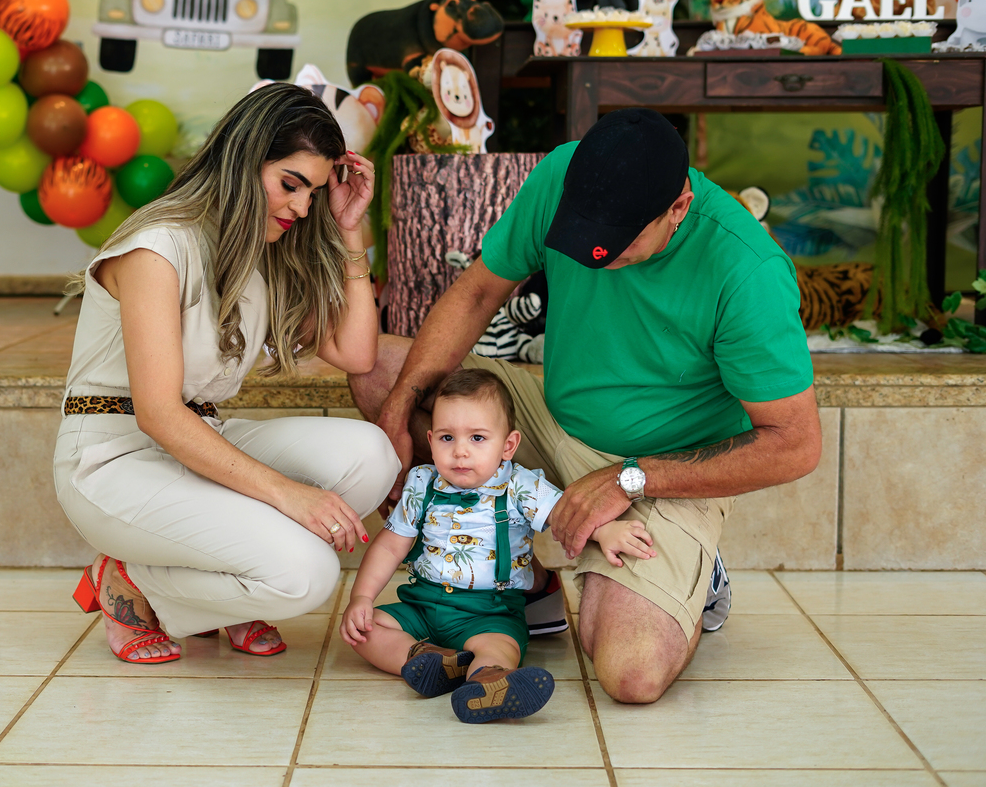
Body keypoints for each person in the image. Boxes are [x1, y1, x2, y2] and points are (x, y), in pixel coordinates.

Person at [350, 108, 822, 703]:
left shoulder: (748, 270)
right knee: (380, 371)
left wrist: (630, 478)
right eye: (584, 237)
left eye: (617, 247)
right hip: (548, 420)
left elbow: (795, 444)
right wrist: (399, 410)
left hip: (662, 469)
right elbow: (476, 294)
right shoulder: (562, 172)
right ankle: (526, 582)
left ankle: (696, 577)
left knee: (631, 675)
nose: (596, 256)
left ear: (677, 209)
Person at [55, 83, 400, 664]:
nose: (301, 208)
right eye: (290, 184)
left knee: (371, 455)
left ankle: (218, 587)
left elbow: (357, 352)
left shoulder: (261, 254)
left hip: (200, 440)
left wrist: (349, 232)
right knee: (307, 575)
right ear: (244, 161)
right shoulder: (155, 248)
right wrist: (289, 496)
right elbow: (158, 415)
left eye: (314, 193)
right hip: (113, 456)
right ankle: (128, 583)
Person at [341, 369, 589, 723]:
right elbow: (389, 547)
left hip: (490, 612)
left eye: (477, 438)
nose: (460, 451)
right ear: (430, 441)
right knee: (363, 631)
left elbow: (568, 515)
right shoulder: (422, 483)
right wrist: (361, 598)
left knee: (500, 646)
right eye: (447, 437)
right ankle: (425, 658)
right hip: (423, 605)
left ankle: (488, 679)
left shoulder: (520, 486)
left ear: (508, 445)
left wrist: (607, 532)